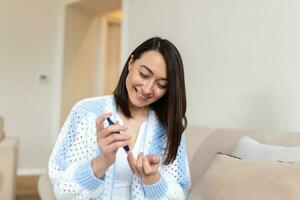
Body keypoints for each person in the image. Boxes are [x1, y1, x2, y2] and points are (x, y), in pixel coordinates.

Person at [49, 37, 191, 200]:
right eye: (144, 74)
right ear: (131, 63)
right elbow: (61, 188)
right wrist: (102, 161)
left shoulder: (169, 128)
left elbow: (181, 194)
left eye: (161, 85)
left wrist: (152, 179)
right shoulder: (86, 112)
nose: (147, 89)